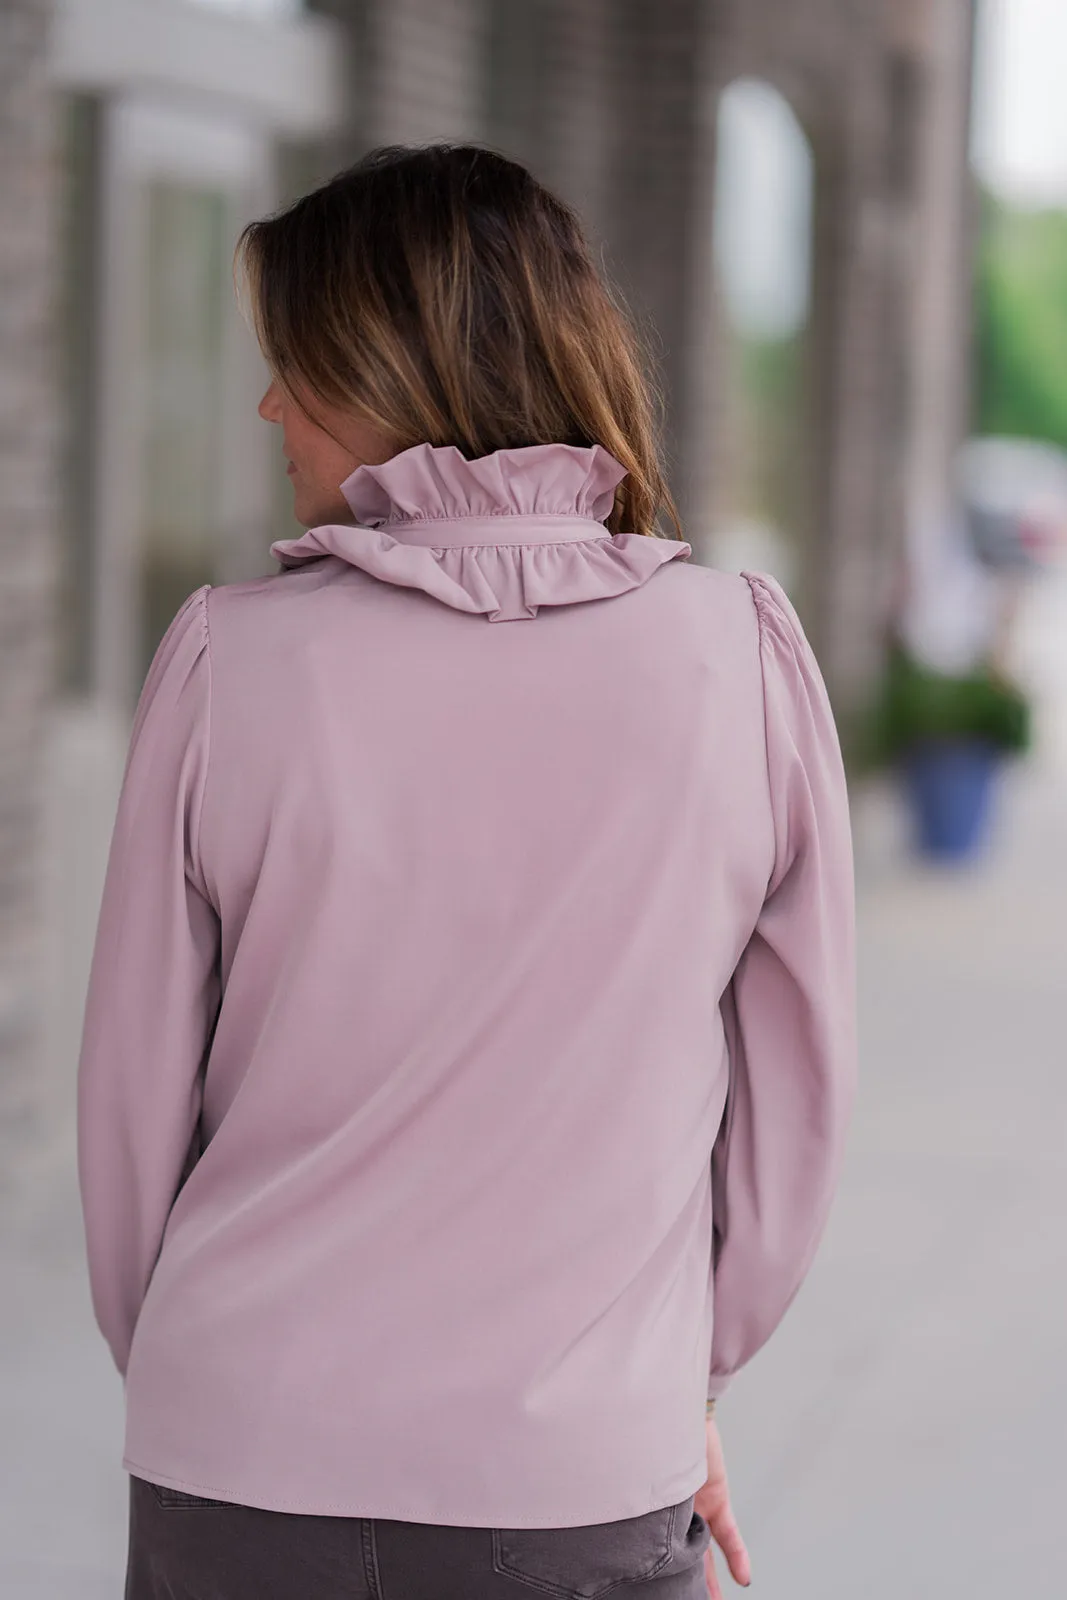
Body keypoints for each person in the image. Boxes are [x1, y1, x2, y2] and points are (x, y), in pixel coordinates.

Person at [76, 143, 857, 1600]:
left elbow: (128, 1121)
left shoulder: (221, 661)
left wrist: (223, 1394)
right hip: (577, 1477)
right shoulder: (737, 656)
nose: (265, 405)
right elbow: (793, 1111)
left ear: (394, 367)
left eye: (293, 362)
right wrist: (674, 1381)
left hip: (239, 1455)